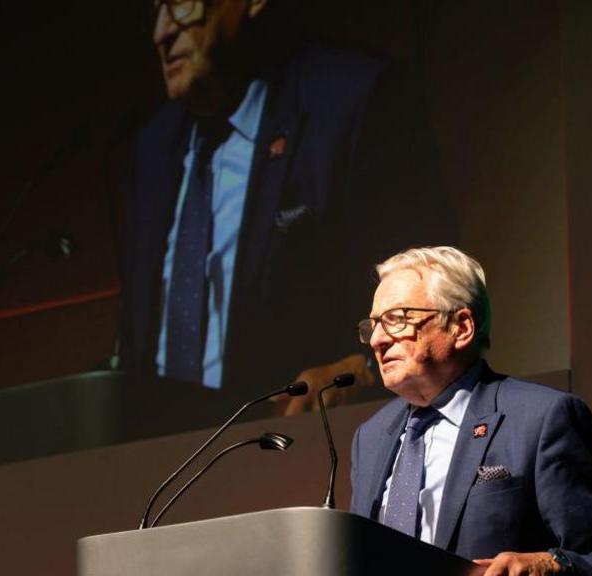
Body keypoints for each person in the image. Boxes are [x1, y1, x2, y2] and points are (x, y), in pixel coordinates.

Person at [120, 0, 455, 420]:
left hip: (308, 442)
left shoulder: (350, 102)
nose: (161, 33)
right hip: (157, 460)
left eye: (183, 5)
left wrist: (363, 367)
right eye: (155, 11)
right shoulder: (153, 148)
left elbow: (435, 281)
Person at [349, 246, 592, 575]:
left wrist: (547, 566)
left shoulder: (542, 419)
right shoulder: (370, 437)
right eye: (373, 326)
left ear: (461, 327)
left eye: (396, 320)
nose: (377, 340)